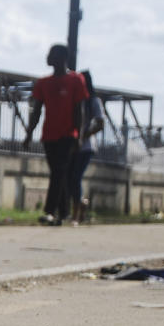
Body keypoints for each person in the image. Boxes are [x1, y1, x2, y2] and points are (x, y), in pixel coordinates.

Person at [22, 44, 88, 225]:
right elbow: (36, 111)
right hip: (49, 136)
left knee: (58, 172)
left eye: (51, 54)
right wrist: (29, 134)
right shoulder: (44, 83)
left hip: (67, 135)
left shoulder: (76, 80)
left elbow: (79, 110)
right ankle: (64, 212)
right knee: (59, 173)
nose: (47, 57)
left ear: (63, 57)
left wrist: (79, 135)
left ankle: (50, 211)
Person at [68, 70, 104, 225]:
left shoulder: (93, 101)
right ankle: (81, 203)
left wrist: (83, 136)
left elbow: (100, 124)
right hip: (72, 144)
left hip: (86, 147)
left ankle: (75, 214)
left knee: (75, 177)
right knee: (69, 179)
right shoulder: (74, 99)